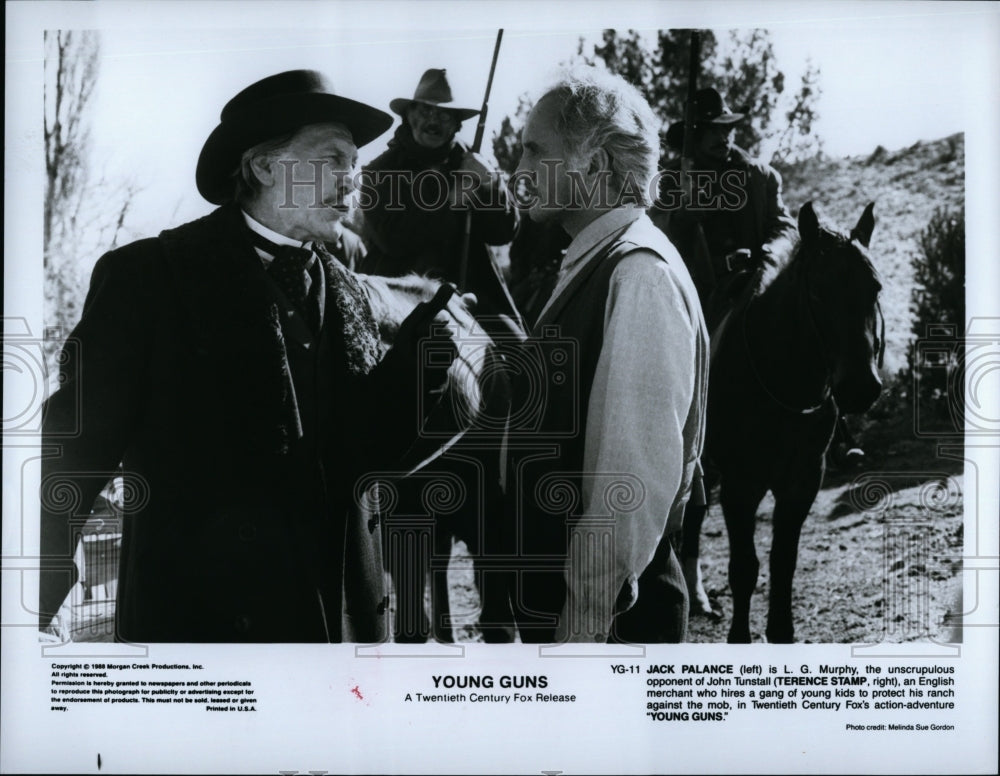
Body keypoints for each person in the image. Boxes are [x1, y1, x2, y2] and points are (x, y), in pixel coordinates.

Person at [38, 70, 465, 643]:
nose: (352, 181)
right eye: (332, 160)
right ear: (264, 167)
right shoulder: (149, 279)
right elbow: (71, 458)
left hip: (341, 633)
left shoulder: (350, 291)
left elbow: (362, 463)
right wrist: (25, 608)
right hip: (206, 640)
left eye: (356, 164)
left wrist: (422, 366)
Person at [507, 67, 709, 643]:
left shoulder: (639, 273)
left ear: (593, 167)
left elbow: (630, 475)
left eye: (533, 152)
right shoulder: (600, 258)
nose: (519, 172)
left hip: (605, 626)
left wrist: (588, 614)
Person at [359, 68, 520, 322]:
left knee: (521, 353)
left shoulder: (474, 165)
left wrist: (491, 185)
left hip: (474, 298)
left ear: (457, 124)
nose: (433, 120)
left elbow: (503, 233)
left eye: (444, 114)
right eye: (425, 110)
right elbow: (393, 241)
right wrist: (449, 203)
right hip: (398, 299)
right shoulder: (379, 172)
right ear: (408, 115)